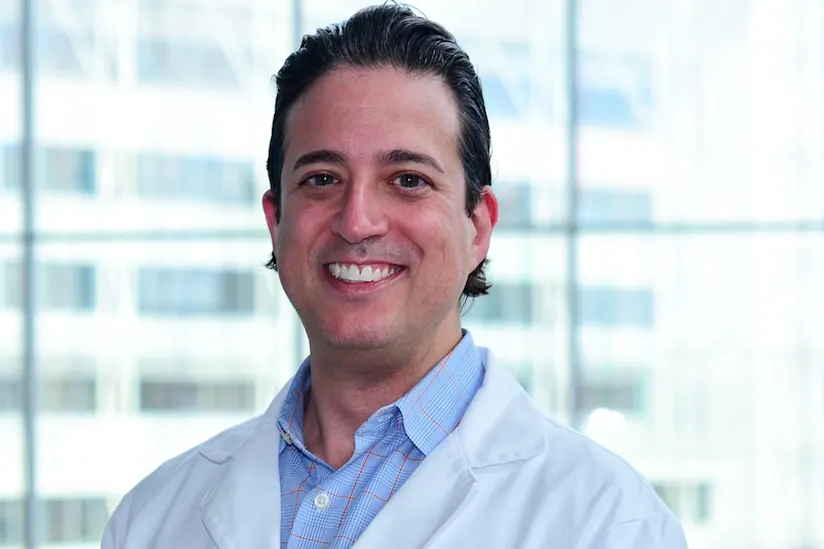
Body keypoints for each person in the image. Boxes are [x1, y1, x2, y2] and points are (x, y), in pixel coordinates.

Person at [102, 4, 688, 548]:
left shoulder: (608, 522)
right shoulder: (150, 520)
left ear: (477, 227)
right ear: (276, 222)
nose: (357, 221)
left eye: (408, 180)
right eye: (322, 179)